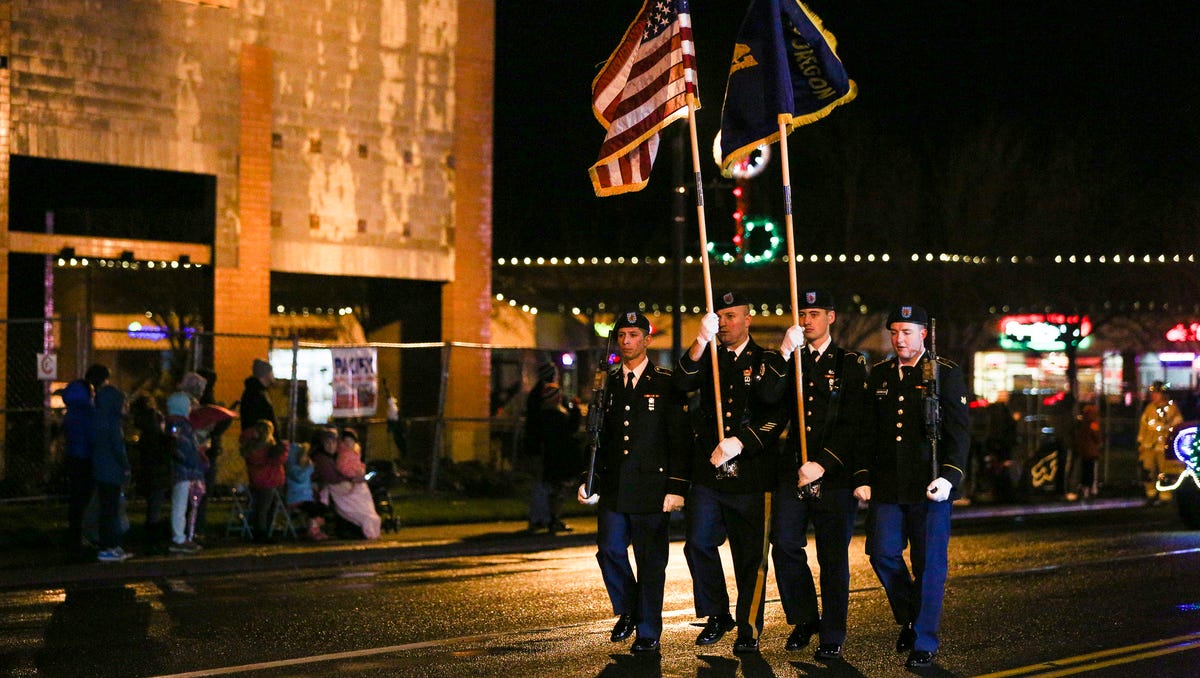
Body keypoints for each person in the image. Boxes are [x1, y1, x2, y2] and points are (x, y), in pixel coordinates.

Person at [854, 304, 969, 669]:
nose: (899, 338)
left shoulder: (944, 373)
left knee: (929, 564)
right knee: (882, 553)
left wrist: (950, 477)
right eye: (894, 332)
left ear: (923, 334)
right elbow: (868, 432)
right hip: (889, 485)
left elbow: (958, 432)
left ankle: (923, 639)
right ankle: (910, 615)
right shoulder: (881, 374)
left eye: (907, 332)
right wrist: (864, 477)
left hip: (929, 485)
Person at [673, 291, 786, 653]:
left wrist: (742, 441)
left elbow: (777, 411)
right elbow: (682, 383)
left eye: (732, 316)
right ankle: (717, 613)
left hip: (752, 476)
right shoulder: (708, 355)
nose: (724, 323)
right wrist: (699, 341)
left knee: (750, 557)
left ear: (748, 319)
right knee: (698, 543)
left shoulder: (767, 359)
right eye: (719, 317)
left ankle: (749, 629)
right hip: (709, 474)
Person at [761, 290, 868, 660]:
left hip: (832, 474)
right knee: (785, 543)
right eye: (802, 314)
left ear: (831, 317)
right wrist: (782, 354)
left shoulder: (849, 362)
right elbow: (766, 399)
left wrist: (822, 463)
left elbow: (854, 423)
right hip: (794, 470)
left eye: (815, 313)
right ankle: (806, 618)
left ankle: (832, 633)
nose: (807, 321)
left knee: (832, 557)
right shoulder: (793, 359)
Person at [577, 311, 689, 653]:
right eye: (622, 335)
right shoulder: (606, 382)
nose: (627, 341)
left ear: (647, 340)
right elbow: (598, 437)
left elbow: (679, 439)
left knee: (651, 562)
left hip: (652, 488)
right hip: (614, 485)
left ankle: (648, 631)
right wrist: (589, 479)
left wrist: (677, 486)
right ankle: (628, 608)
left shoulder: (665, 382)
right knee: (609, 549)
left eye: (634, 335)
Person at [527, 381, 583, 534]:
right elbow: (571, 429)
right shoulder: (555, 415)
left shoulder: (542, 414)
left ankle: (543, 519)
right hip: (558, 459)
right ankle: (552, 519)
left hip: (550, 458)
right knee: (559, 489)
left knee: (549, 488)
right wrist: (576, 410)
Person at [312, 428, 382, 539]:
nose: (331, 446)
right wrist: (352, 479)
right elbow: (332, 478)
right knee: (356, 501)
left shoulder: (334, 456)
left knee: (362, 495)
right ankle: (365, 520)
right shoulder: (323, 459)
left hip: (344, 486)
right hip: (334, 490)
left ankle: (366, 520)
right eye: (327, 443)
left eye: (333, 442)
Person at [91, 384, 131, 563]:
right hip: (112, 471)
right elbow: (118, 448)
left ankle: (110, 546)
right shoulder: (113, 422)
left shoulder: (98, 419)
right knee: (111, 510)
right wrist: (126, 466)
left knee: (107, 509)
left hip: (101, 469)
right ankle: (108, 547)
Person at [60, 369, 98, 557]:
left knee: (76, 500)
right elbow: (93, 437)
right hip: (86, 459)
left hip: (73, 457)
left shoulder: (71, 413)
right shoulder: (88, 412)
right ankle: (81, 539)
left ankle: (73, 537)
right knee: (85, 500)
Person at [130, 394, 173, 555]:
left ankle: (151, 539)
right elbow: (161, 450)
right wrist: (171, 441)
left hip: (150, 471)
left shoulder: (145, 428)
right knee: (155, 506)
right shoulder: (154, 425)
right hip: (157, 472)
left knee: (153, 505)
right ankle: (151, 541)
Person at [165, 387, 206, 554]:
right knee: (180, 505)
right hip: (183, 471)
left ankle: (181, 536)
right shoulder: (181, 425)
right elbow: (185, 449)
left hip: (181, 470)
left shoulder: (174, 424)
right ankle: (179, 539)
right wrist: (197, 459)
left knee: (181, 504)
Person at [193, 367, 231, 536]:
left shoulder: (194, 400)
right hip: (206, 451)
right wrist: (224, 417)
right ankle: (197, 528)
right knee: (202, 492)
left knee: (195, 493)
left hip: (199, 450)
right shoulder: (207, 400)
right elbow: (213, 428)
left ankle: (193, 528)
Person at [1137, 381, 1183, 505]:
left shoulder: (1172, 408)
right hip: (1149, 446)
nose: (1154, 396)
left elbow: (1177, 425)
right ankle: (1150, 494)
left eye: (1156, 393)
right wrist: (1141, 442)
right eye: (1153, 393)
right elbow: (1143, 426)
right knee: (1148, 471)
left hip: (1164, 447)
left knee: (1165, 471)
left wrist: (1164, 429)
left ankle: (1165, 496)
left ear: (1163, 394)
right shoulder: (1149, 408)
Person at [240, 419, 287, 542]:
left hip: (256, 480)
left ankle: (258, 530)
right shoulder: (270, 449)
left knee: (259, 507)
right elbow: (277, 461)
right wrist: (284, 450)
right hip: (270, 480)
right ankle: (263, 533)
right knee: (266, 508)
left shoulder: (250, 447)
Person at [285, 438, 327, 540]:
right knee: (312, 509)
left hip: (306, 498)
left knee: (322, 507)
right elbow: (300, 478)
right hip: (295, 499)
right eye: (304, 455)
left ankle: (315, 528)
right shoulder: (293, 469)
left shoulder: (303, 468)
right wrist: (309, 468)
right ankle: (313, 531)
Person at [239, 358, 278, 432]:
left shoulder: (254, 392)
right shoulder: (257, 394)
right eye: (271, 372)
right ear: (266, 374)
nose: (273, 375)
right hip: (260, 440)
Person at [1074, 404, 1102, 499]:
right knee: (1092, 471)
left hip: (1084, 451)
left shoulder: (1082, 424)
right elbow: (1097, 437)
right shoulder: (1093, 424)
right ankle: (1093, 489)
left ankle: (1084, 489)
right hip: (1092, 452)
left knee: (1085, 471)